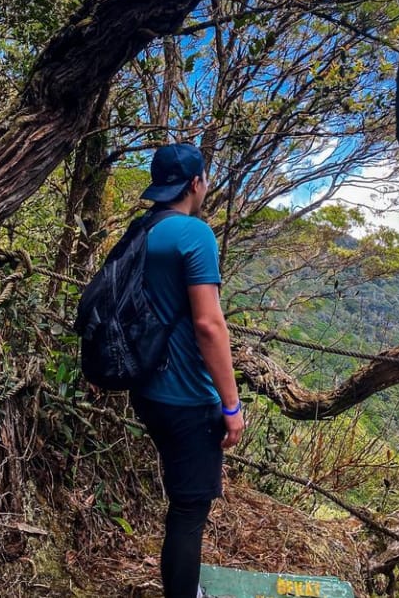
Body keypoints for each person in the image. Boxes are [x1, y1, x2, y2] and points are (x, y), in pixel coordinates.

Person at [130, 142, 244, 598]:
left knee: (182, 502)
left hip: (146, 388)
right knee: (189, 510)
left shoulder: (141, 231)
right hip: (187, 397)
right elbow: (209, 324)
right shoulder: (193, 234)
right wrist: (231, 405)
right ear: (196, 183)